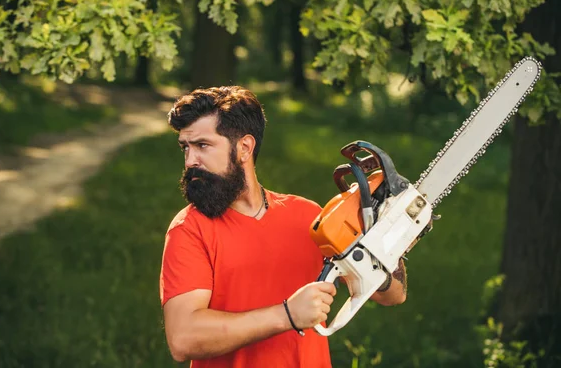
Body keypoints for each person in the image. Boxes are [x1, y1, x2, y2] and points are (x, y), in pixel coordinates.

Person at [159, 86, 408, 368]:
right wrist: (287, 315)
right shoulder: (189, 229)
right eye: (185, 148)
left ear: (244, 148)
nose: (190, 160)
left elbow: (392, 294)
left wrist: (384, 245)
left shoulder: (309, 217)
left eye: (202, 145)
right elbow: (183, 338)